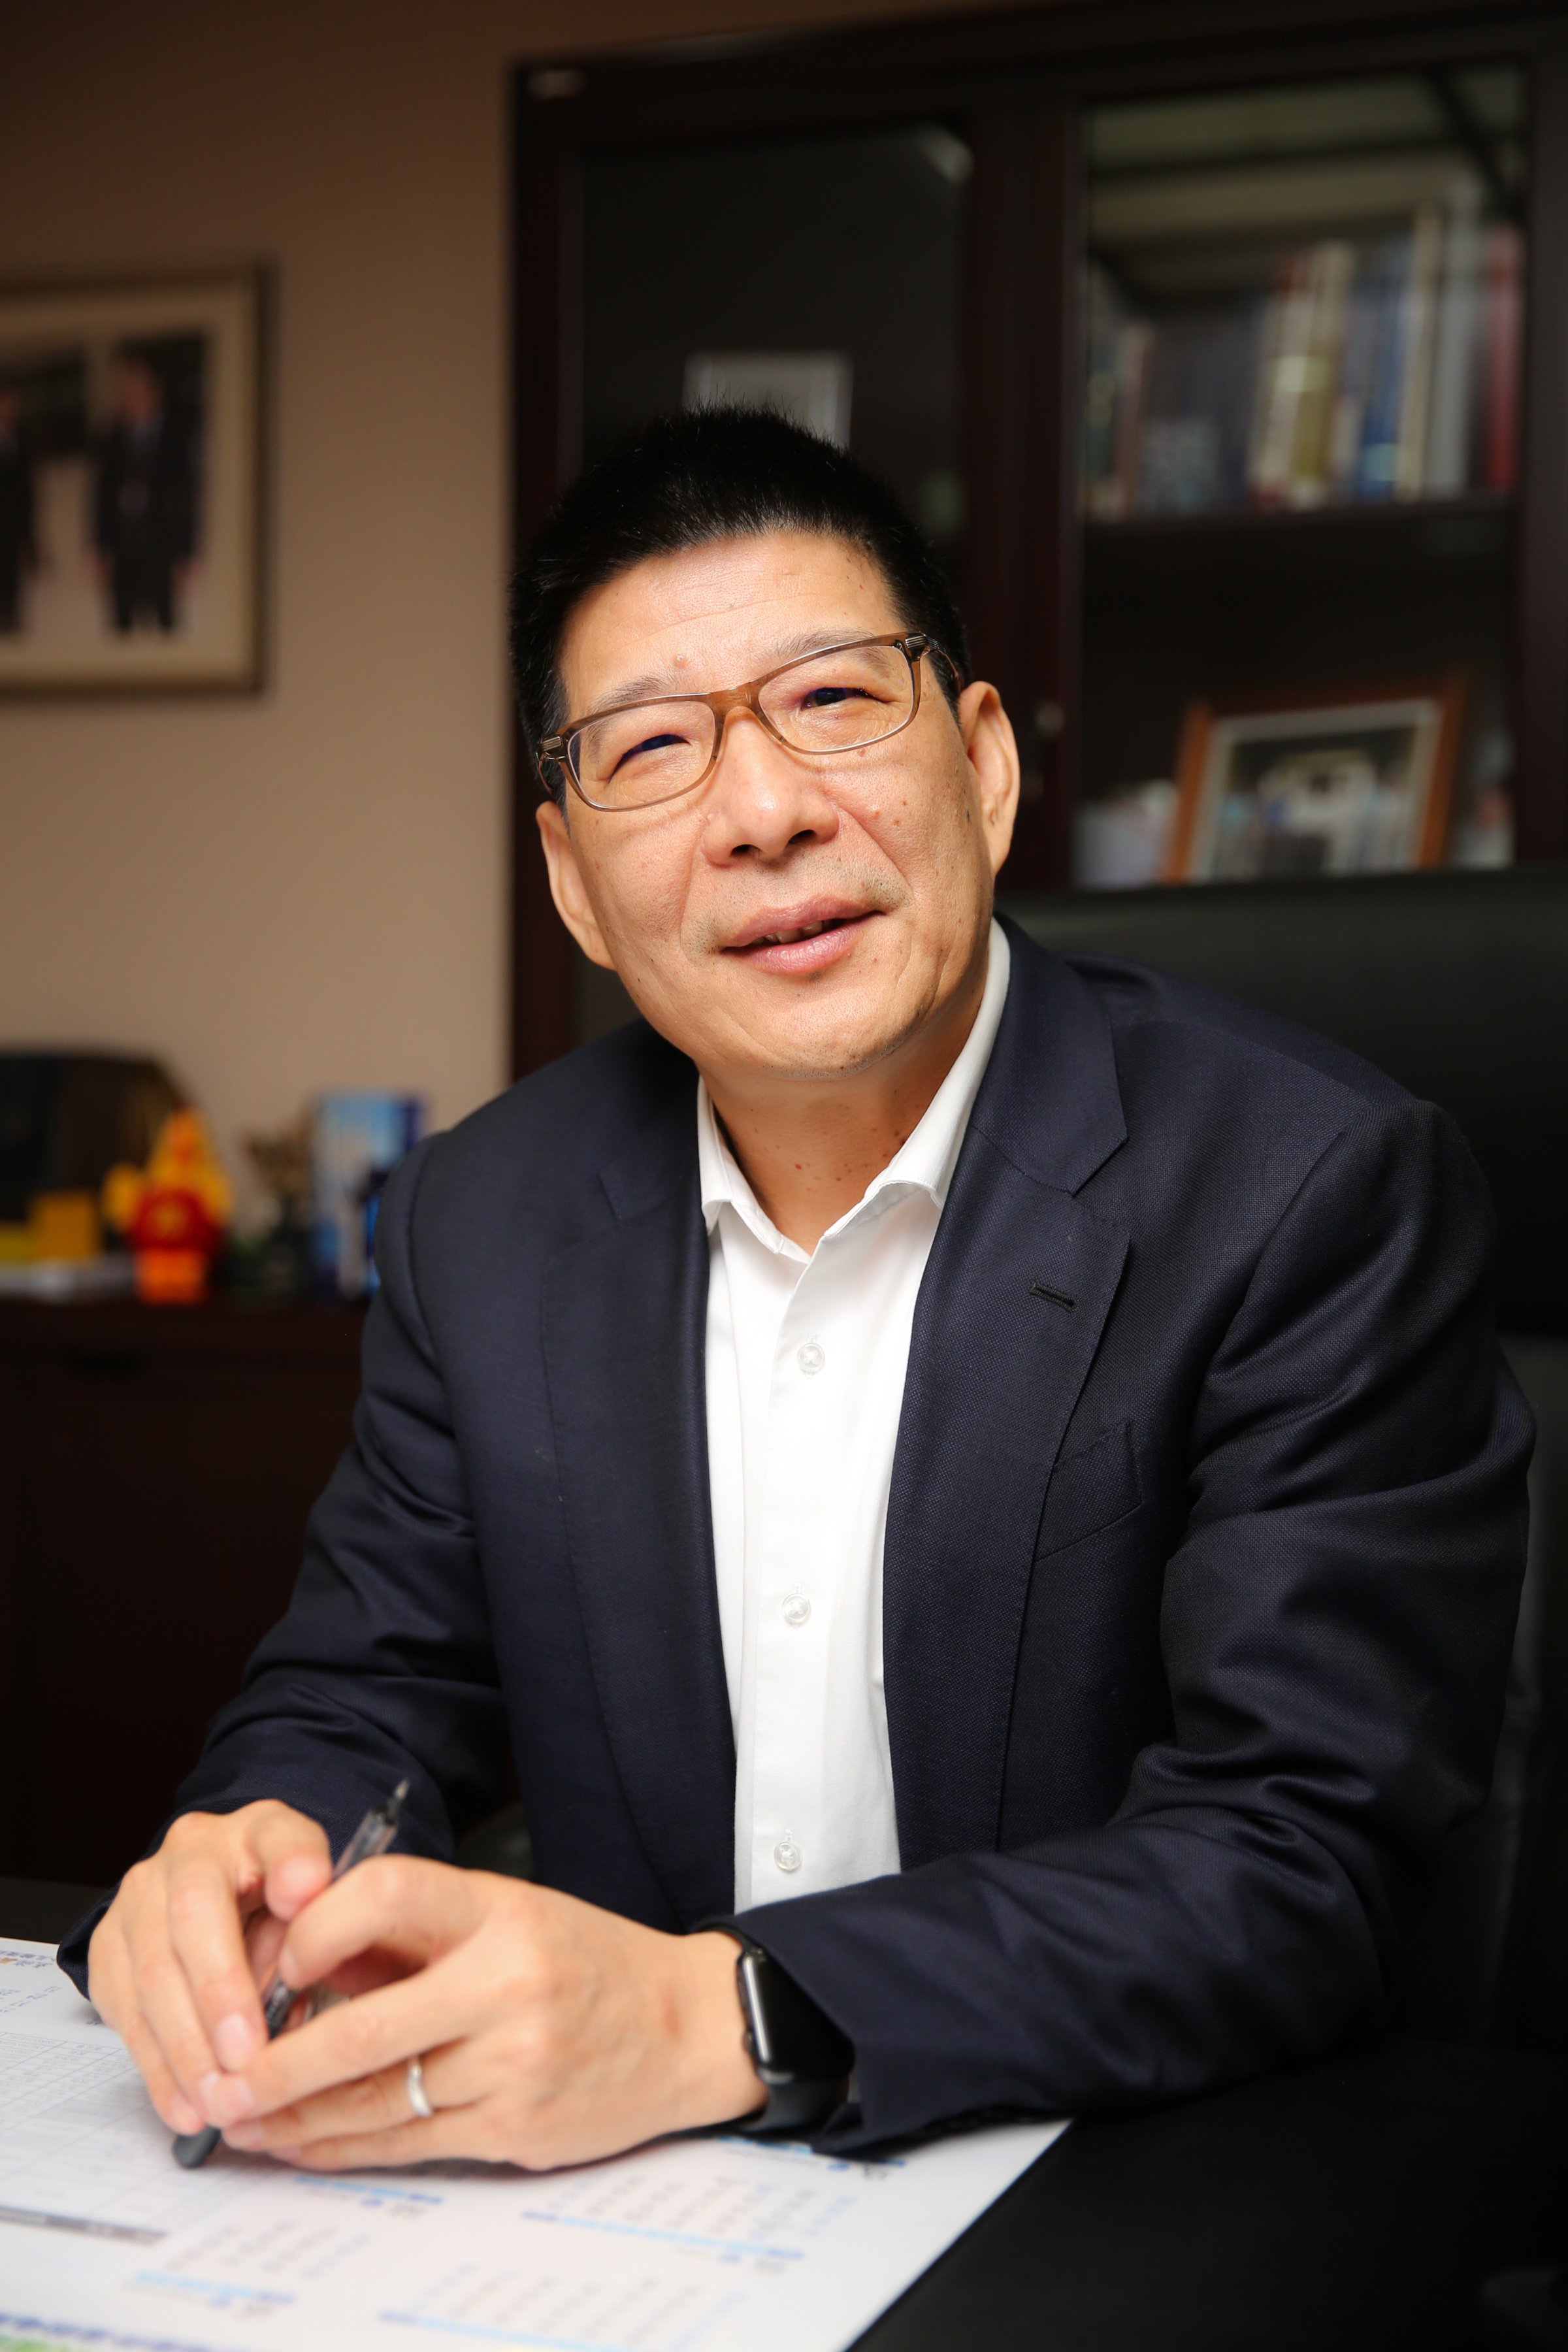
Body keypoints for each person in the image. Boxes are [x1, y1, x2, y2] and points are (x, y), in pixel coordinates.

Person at [63, 407, 1531, 2174]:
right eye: (653, 748)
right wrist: (258, 1856)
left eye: (831, 700)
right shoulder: (486, 1217)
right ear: (572, 883)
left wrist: (724, 2015)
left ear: (983, 767)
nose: (762, 813)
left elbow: (1299, 1858)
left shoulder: (1304, 1191)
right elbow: (363, 1686)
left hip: (1115, 2191)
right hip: (638, 2227)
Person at [93, 348, 196, 634]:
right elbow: (101, 497)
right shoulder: (113, 437)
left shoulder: (173, 438)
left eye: (134, 385)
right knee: (121, 626)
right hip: (123, 546)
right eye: (123, 387)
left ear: (153, 389)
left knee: (166, 624)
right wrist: (101, 547)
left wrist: (186, 553)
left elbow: (186, 499)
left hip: (160, 545)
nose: (127, 394)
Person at [0, 381, 35, 632]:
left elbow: (27, 494)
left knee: (12, 598)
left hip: (12, 535)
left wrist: (29, 536)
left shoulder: (20, 440)